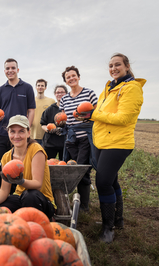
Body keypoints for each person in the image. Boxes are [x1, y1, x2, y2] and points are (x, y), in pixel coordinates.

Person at [77, 53, 145, 243]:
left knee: (103, 182)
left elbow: (124, 118)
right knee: (112, 181)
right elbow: (99, 112)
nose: (113, 68)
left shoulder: (132, 88)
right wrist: (89, 115)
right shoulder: (109, 88)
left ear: (127, 66)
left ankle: (108, 228)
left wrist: (93, 115)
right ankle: (118, 220)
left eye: (117, 65)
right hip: (102, 142)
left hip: (118, 143)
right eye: (110, 66)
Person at [0, 115, 56, 220]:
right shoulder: (6, 157)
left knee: (30, 195)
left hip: (41, 200)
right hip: (20, 198)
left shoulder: (36, 150)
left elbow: (37, 184)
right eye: (12, 131)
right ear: (8, 133)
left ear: (29, 133)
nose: (16, 136)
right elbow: (4, 191)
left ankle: (37, 227)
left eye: (21, 131)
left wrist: (21, 181)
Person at [0, 58, 36, 194]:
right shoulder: (1, 90)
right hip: (0, 133)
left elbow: (31, 109)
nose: (10, 71)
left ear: (17, 70)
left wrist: (27, 128)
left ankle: (17, 194)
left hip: (18, 135)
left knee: (18, 166)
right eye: (7, 68)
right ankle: (0, 193)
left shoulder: (27, 88)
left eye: (13, 68)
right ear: (4, 71)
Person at [59, 66, 98, 212]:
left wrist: (85, 116)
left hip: (85, 139)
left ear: (79, 77)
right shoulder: (64, 99)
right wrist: (60, 122)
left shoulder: (89, 93)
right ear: (66, 81)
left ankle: (84, 206)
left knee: (82, 170)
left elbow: (97, 113)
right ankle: (74, 200)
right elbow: (63, 118)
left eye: (73, 75)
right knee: (73, 168)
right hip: (71, 139)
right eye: (68, 77)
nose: (71, 78)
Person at [40, 85, 68, 160]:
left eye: (62, 92)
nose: (60, 94)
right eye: (57, 92)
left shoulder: (69, 108)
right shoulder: (50, 109)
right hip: (50, 143)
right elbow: (43, 124)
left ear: (66, 94)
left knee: (64, 166)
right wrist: (48, 129)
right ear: (55, 94)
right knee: (48, 165)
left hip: (65, 143)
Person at [31, 79, 55, 145]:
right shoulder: (31, 101)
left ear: (45, 88)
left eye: (42, 85)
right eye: (38, 85)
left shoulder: (51, 101)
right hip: (33, 135)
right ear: (36, 87)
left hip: (46, 135)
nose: (40, 87)